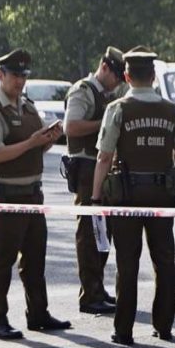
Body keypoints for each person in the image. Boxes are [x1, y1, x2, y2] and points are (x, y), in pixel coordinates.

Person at [91, 47, 175, 346]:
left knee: (128, 264)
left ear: (126, 76)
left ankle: (124, 330)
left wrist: (96, 197)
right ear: (154, 76)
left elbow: (104, 157)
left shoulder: (118, 109)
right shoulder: (171, 109)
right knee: (164, 261)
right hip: (162, 195)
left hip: (127, 196)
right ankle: (164, 325)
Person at [0, 49, 71, 340]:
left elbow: (33, 145)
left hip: (32, 194)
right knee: (2, 260)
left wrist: (46, 140)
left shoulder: (27, 106)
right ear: (0, 75)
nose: (20, 81)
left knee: (34, 259)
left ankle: (38, 314)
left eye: (23, 76)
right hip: (5, 195)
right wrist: (31, 143)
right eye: (15, 75)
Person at [63, 46, 126, 316]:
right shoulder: (83, 90)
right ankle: (89, 295)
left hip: (104, 169)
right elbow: (71, 126)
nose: (119, 84)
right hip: (87, 168)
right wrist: (104, 123)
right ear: (105, 68)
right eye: (118, 77)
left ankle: (97, 288)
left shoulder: (109, 93)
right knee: (89, 235)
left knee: (103, 234)